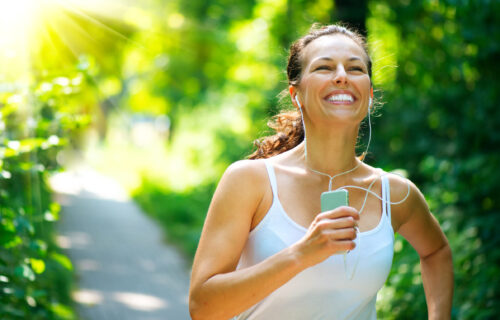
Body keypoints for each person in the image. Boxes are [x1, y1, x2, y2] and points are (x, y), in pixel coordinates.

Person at [188, 24, 453, 320]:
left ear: (368, 94)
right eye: (324, 67)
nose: (341, 76)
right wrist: (302, 253)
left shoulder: (394, 193)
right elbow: (202, 308)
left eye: (354, 69)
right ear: (295, 94)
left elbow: (437, 252)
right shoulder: (251, 181)